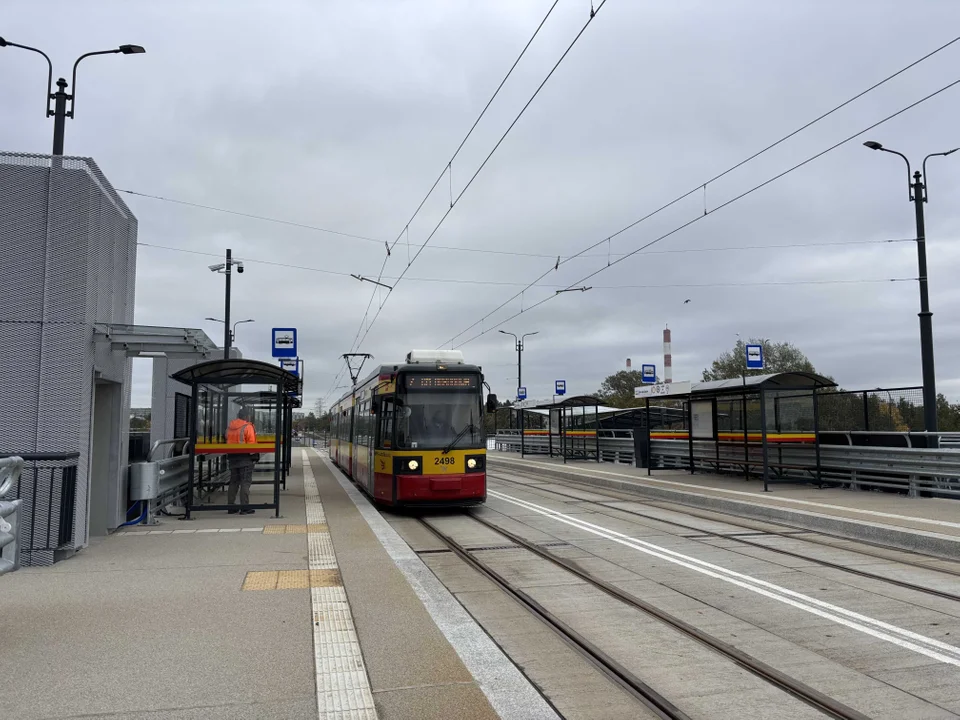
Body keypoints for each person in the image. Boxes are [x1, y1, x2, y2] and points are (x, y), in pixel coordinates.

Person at [226, 406, 257, 515]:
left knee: (233, 482)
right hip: (245, 458)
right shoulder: (247, 427)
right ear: (246, 416)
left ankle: (231, 506)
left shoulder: (230, 427)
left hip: (232, 458)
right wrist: (254, 457)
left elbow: (226, 440)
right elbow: (252, 445)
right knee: (245, 482)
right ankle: (244, 506)